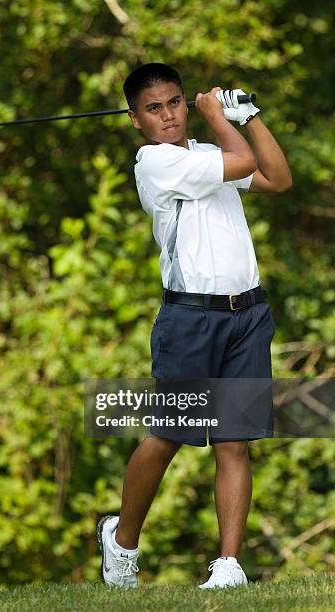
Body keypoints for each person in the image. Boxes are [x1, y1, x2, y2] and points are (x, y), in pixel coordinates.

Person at [97, 63, 292, 589]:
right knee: (167, 435)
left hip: (247, 315)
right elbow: (245, 162)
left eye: (176, 103)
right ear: (136, 119)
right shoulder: (153, 163)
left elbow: (276, 176)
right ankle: (122, 542)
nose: (168, 115)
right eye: (153, 108)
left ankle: (229, 565)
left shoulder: (210, 155)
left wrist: (249, 117)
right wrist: (218, 115)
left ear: (185, 103)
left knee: (235, 441)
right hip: (190, 319)